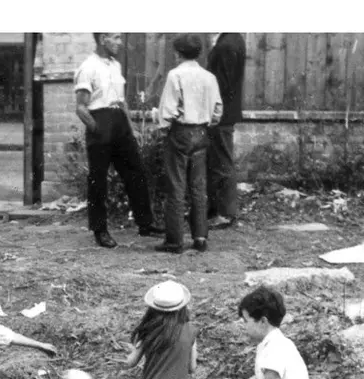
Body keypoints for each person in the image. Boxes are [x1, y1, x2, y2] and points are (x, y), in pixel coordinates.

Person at [74, 33, 164, 249]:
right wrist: (97, 130)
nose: (120, 42)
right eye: (115, 37)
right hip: (99, 120)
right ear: (102, 38)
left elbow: (121, 101)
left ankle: (145, 224)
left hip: (120, 123)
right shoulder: (88, 67)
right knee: (98, 180)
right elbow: (81, 108)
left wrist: (131, 129)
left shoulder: (116, 66)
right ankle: (100, 230)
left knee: (136, 172)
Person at [155, 34, 223, 254]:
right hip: (202, 132)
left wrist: (164, 129)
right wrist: (207, 122)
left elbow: (168, 110)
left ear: (178, 53)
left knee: (176, 186)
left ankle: (174, 241)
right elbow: (218, 109)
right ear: (199, 53)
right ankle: (200, 237)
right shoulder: (209, 77)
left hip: (180, 132)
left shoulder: (175, 75)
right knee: (198, 186)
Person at [206, 32, 246, 230]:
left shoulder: (226, 45)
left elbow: (222, 84)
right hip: (224, 112)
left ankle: (226, 213)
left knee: (222, 161)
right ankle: (215, 210)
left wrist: (212, 110)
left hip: (221, 113)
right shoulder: (233, 39)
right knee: (217, 160)